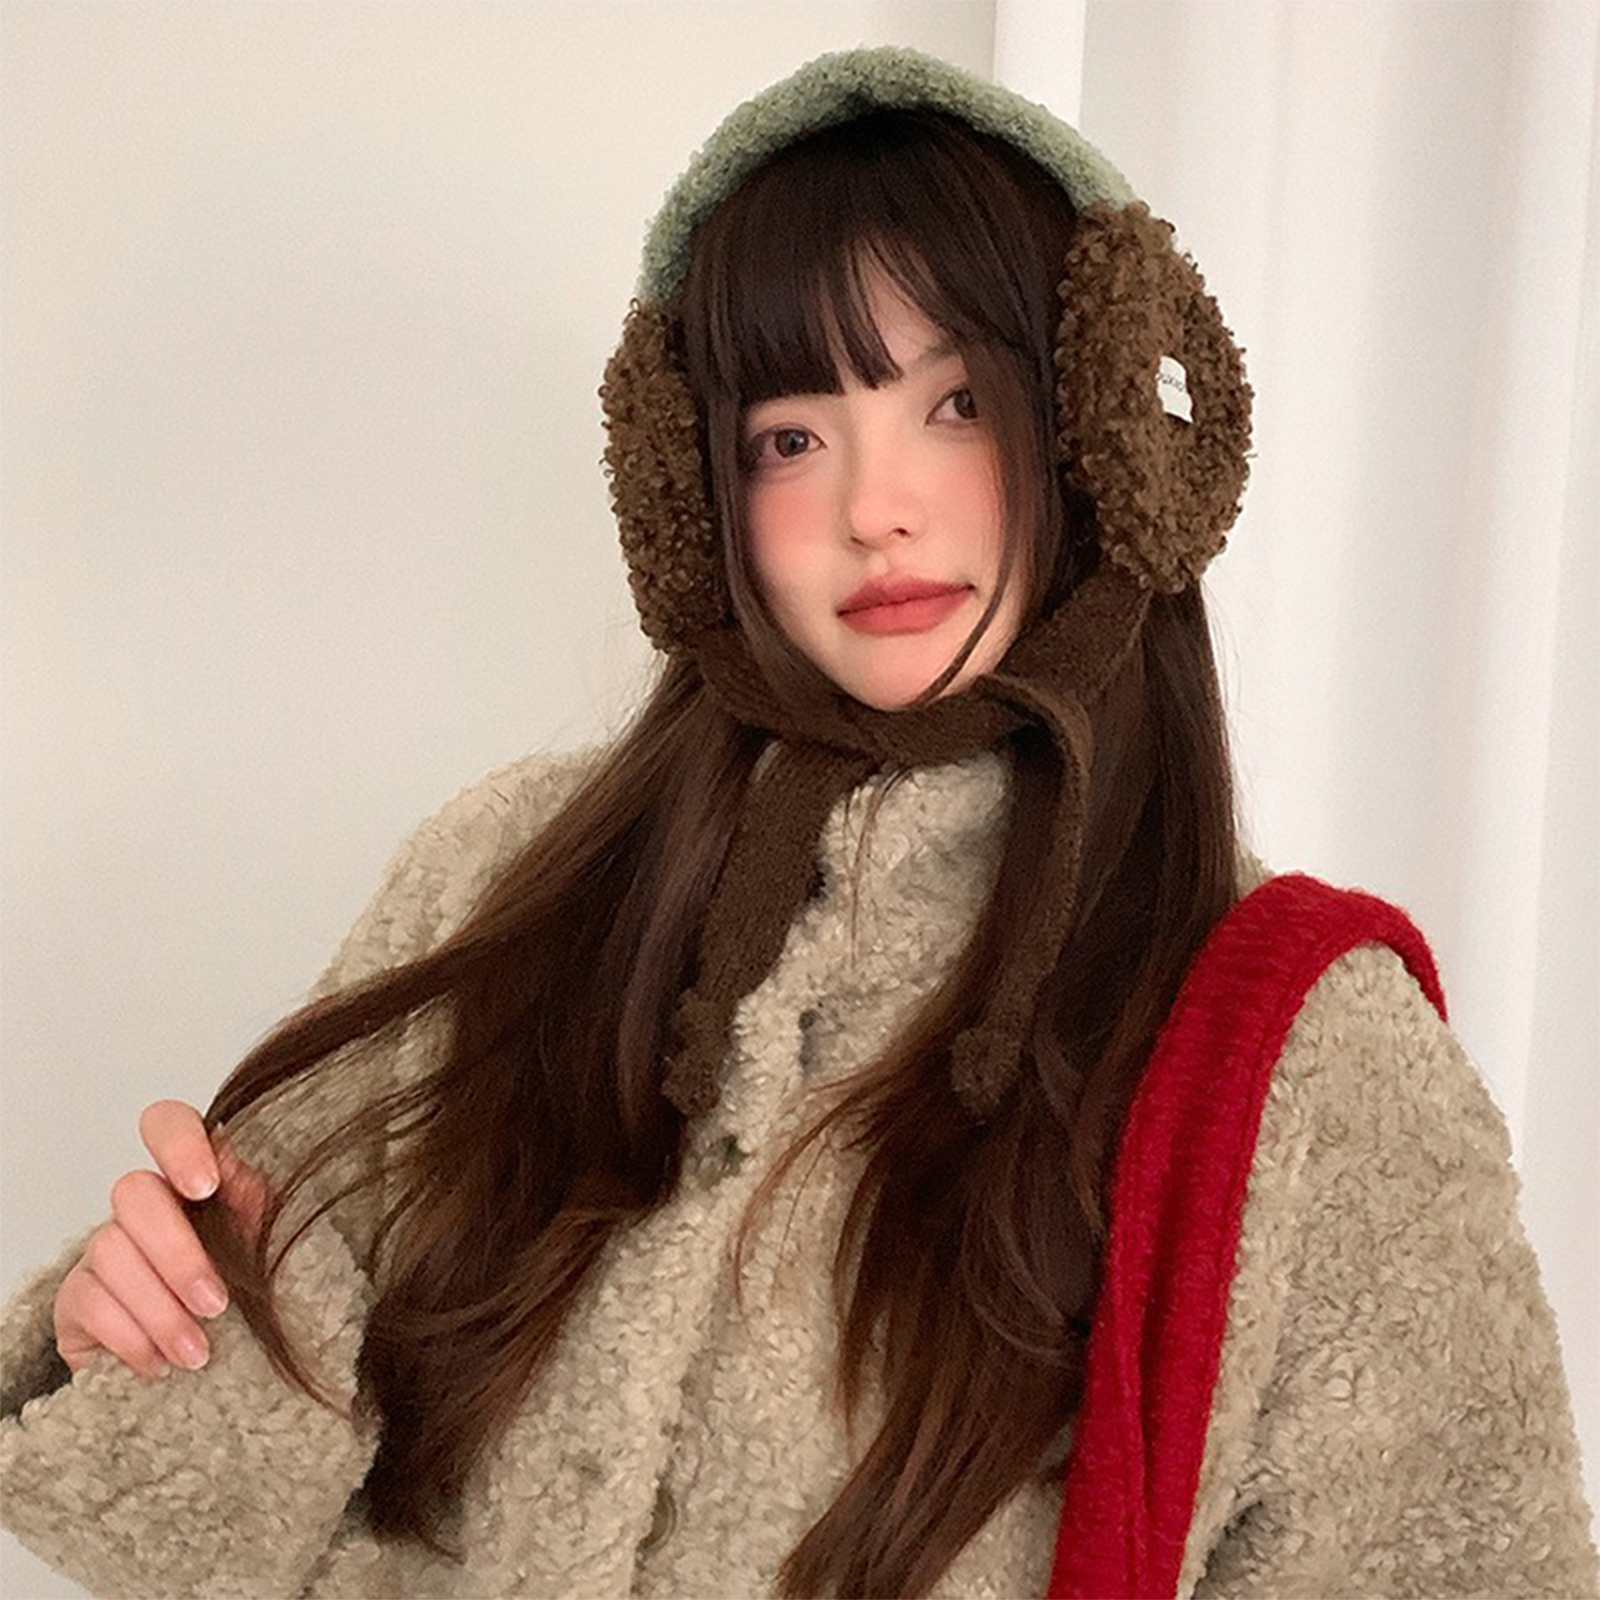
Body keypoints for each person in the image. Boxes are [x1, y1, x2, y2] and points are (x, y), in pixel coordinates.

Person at [2, 42, 1595, 1600]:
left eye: (957, 403)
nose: (872, 507)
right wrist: (163, 1339)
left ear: (1104, 429)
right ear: (693, 496)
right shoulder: (497, 880)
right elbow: (254, 1507)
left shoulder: (1308, 1060)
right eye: (790, 438)